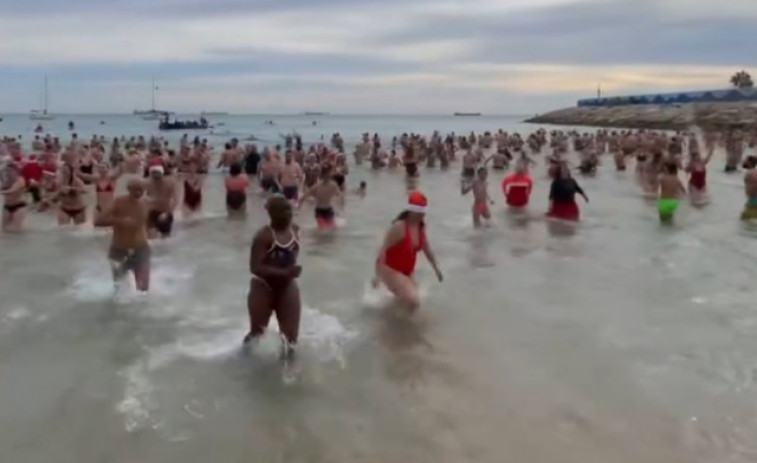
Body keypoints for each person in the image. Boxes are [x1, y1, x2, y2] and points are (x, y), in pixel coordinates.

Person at [244, 196, 302, 353]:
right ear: (272, 215)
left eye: (289, 211)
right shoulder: (264, 236)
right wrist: (285, 272)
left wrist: (288, 274)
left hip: (287, 286)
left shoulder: (295, 230)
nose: (287, 215)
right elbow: (254, 267)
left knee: (290, 339)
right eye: (283, 212)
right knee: (257, 333)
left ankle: (289, 370)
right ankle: (245, 363)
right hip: (263, 287)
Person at [373, 191, 443, 311]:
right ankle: (407, 329)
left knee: (412, 297)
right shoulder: (399, 227)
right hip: (389, 269)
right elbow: (383, 249)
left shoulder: (420, 227)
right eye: (419, 213)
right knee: (413, 301)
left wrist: (436, 269)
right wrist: (378, 276)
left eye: (423, 213)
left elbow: (427, 249)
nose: (422, 216)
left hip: (405, 271)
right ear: (411, 211)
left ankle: (391, 321)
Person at [95, 179, 150, 291]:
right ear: (128, 189)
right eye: (135, 190)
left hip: (141, 248)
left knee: (143, 291)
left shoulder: (146, 203)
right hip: (119, 249)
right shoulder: (118, 202)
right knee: (119, 289)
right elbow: (98, 221)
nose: (138, 193)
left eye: (141, 190)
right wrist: (120, 221)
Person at [145, 165, 176, 238]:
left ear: (162, 173)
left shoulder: (169, 184)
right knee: (151, 238)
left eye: (157, 173)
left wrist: (166, 213)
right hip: (151, 212)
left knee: (165, 238)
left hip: (165, 212)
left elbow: (174, 200)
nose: (155, 175)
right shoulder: (147, 183)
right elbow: (142, 198)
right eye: (153, 173)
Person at [2, 163, 28, 232]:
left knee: (15, 230)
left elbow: (12, 191)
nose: (8, 172)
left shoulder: (20, 180)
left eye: (10, 171)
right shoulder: (5, 180)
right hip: (7, 206)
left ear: (16, 171)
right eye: (6, 171)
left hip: (19, 206)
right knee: (4, 229)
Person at [740, 156, 757, 220]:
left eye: (746, 160)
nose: (744, 161)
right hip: (752, 201)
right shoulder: (754, 172)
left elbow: (755, 185)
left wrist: (751, 194)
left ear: (750, 163)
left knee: (744, 220)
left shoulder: (750, 173)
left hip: (753, 202)